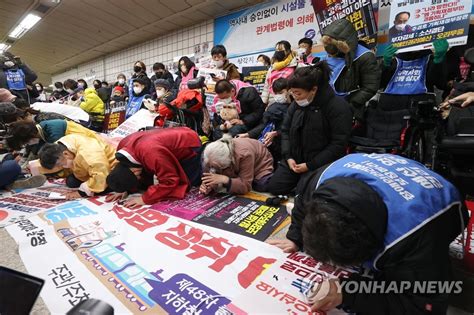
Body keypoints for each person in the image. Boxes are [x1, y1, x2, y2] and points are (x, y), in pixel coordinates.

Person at [268, 153, 467, 314]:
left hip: (435, 200)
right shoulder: (318, 181)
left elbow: (426, 302)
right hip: (370, 170)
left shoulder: (416, 234)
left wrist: (349, 292)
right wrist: (295, 237)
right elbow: (302, 205)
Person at [267, 62, 353, 195]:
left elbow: (338, 144)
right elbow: (285, 131)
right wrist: (288, 156)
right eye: (292, 93)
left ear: (314, 89)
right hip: (294, 160)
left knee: (306, 195)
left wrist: (310, 165)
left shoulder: (337, 107)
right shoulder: (295, 105)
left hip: (319, 163)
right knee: (274, 188)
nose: (295, 98)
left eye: (298, 94)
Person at [105, 127, 202, 207]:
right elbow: (123, 174)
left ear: (135, 172)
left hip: (188, 143)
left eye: (137, 178)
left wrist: (145, 199)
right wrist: (123, 188)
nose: (139, 179)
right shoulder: (122, 148)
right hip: (163, 139)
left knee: (190, 182)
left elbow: (170, 180)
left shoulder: (151, 153)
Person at [321, 19, 380, 121]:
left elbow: (370, 87)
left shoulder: (365, 56)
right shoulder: (328, 55)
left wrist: (349, 105)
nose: (331, 56)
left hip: (349, 107)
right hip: (327, 105)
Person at [38, 133, 117, 198]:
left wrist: (80, 193)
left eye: (61, 165)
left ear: (65, 154)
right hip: (86, 167)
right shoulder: (60, 146)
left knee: (107, 184)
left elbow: (101, 173)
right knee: (71, 182)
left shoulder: (88, 154)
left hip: (110, 168)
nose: (63, 167)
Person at [239, 78, 290, 166]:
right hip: (272, 144)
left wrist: (277, 133)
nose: (278, 96)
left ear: (289, 91)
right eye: (276, 93)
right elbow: (264, 125)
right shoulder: (272, 107)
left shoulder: (294, 108)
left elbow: (291, 128)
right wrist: (248, 134)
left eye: (281, 93)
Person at [200, 136, 273, 195]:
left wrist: (225, 179)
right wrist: (208, 186)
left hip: (259, 161)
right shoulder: (210, 154)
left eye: (215, 166)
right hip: (228, 160)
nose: (212, 167)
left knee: (261, 184)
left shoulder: (244, 154)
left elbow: (245, 186)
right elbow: (210, 174)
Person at [6, 119, 100, 152]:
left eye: (26, 142)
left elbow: (58, 155)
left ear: (31, 136)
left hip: (93, 145)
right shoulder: (42, 130)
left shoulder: (54, 131)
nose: (27, 144)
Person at [261, 40, 298, 106]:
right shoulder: (273, 66)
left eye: (280, 50)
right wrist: (263, 102)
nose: (278, 52)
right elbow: (267, 86)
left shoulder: (295, 64)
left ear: (288, 50)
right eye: (277, 50)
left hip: (289, 100)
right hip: (272, 100)